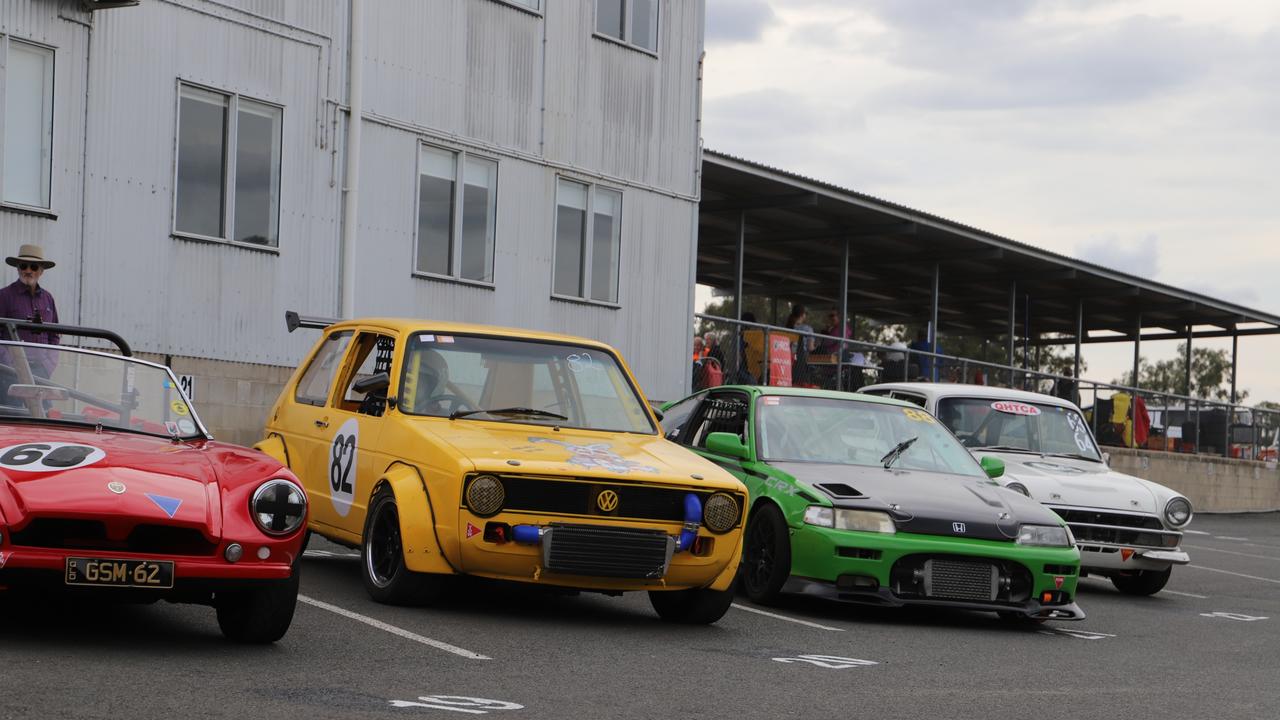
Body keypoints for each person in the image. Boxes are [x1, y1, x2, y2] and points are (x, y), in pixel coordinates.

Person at [0, 244, 60, 378]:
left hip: (41, 372)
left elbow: (54, 335)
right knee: (8, 401)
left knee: (45, 400)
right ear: (18, 268)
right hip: (10, 372)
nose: (28, 270)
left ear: (41, 271)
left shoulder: (48, 298)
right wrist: (8, 364)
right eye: (24, 266)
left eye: (33, 267)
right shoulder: (4, 296)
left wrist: (48, 366)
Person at [784, 304, 814, 385]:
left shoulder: (787, 327)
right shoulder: (807, 329)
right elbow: (810, 347)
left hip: (786, 358)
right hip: (801, 360)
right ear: (802, 315)